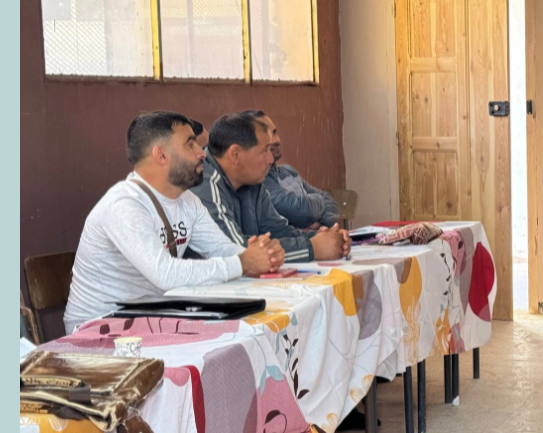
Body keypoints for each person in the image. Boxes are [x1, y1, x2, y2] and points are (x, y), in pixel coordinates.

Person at [64, 111, 284, 334]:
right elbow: (166, 274)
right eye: (190, 145)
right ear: (161, 155)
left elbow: (221, 249)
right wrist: (243, 263)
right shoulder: (123, 204)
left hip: (150, 319)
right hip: (98, 328)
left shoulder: (188, 201)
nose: (202, 153)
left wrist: (261, 256)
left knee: (248, 332)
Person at [191, 112, 351, 262]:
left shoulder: (251, 180)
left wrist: (324, 239)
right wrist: (312, 248)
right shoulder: (204, 184)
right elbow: (235, 251)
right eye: (264, 151)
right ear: (235, 155)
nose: (270, 159)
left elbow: (278, 231)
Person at [241, 110, 341, 230]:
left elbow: (330, 202)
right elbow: (304, 211)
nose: (276, 140)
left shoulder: (288, 171)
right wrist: (320, 201)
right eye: (267, 135)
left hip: (312, 237)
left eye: (275, 132)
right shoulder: (258, 180)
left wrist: (319, 225)